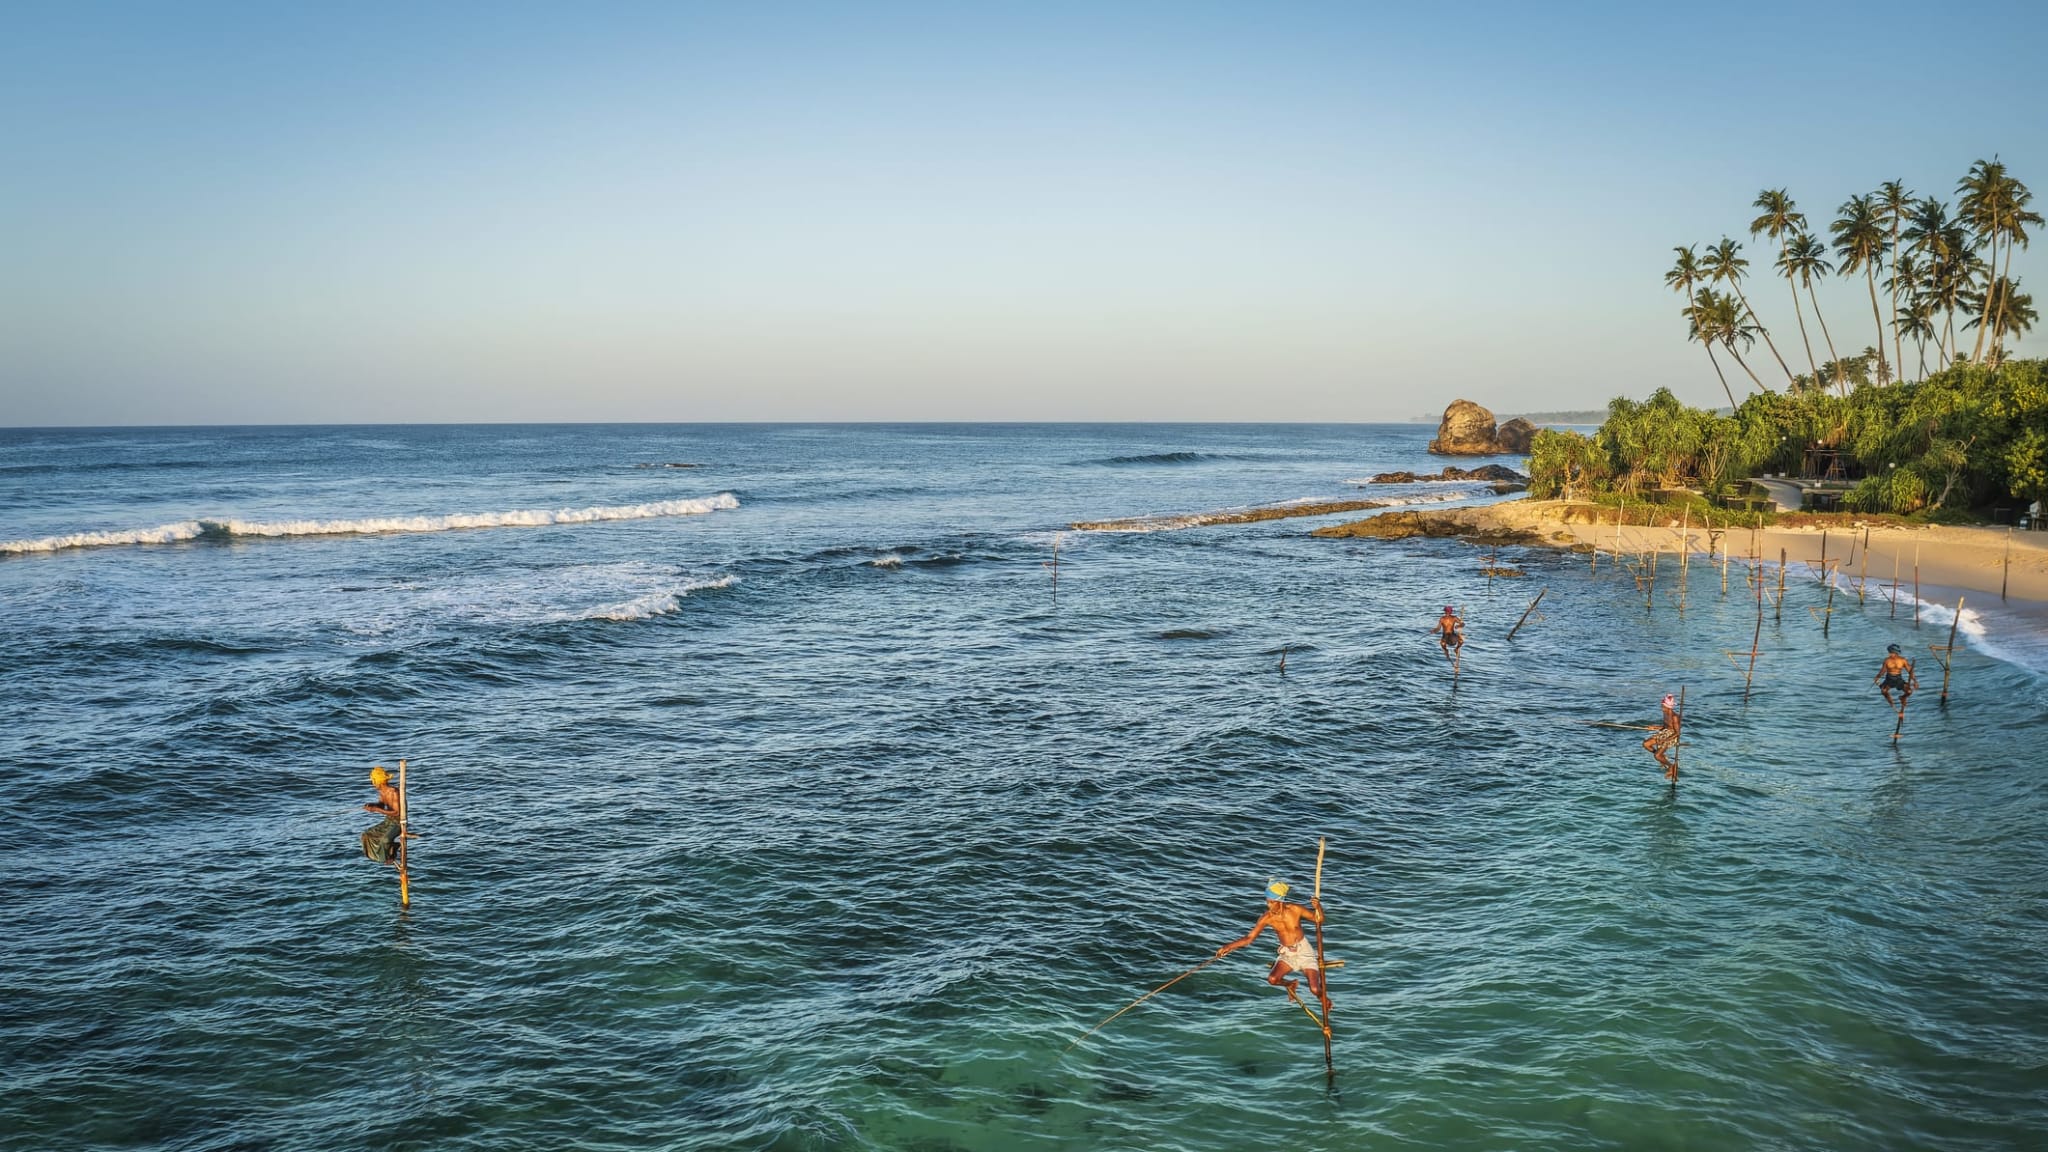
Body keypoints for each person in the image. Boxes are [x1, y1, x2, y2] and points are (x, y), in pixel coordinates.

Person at [1216, 881, 1327, 1011]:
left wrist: (1318, 907)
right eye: (1267, 901)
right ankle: (1290, 984)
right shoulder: (1267, 917)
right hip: (1287, 952)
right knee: (1273, 979)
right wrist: (1228, 947)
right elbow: (1249, 938)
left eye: (1271, 902)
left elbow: (1318, 919)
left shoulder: (1295, 909)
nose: (1268, 905)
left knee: (1314, 989)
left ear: (1280, 901)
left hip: (1304, 951)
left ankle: (1324, 999)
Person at [360, 765, 403, 865]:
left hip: (398, 823)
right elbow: (382, 805)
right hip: (388, 821)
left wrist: (376, 809)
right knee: (366, 835)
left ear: (379, 781)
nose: (373, 783)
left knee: (385, 840)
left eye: (374, 780)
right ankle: (385, 853)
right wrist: (372, 805)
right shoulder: (382, 792)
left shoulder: (394, 792)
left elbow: (397, 812)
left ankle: (390, 854)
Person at [1642, 693, 1681, 780]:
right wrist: (1654, 727)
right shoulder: (1665, 713)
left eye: (1662, 706)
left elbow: (1677, 733)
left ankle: (1671, 767)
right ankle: (1662, 757)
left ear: (1667, 707)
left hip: (1672, 736)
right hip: (1664, 733)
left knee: (1656, 756)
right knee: (1646, 744)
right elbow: (1665, 726)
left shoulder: (1675, 717)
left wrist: (1666, 740)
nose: (1661, 707)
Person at [1875, 643, 1916, 709]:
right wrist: (1877, 677)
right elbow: (1883, 671)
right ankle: (1891, 703)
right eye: (1889, 652)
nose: (1889, 654)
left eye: (1890, 652)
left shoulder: (1903, 660)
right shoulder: (1887, 660)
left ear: (1895, 652)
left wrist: (1915, 681)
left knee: (1909, 692)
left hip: (1898, 679)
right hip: (1889, 679)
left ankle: (1902, 697)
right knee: (1884, 691)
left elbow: (1910, 671)